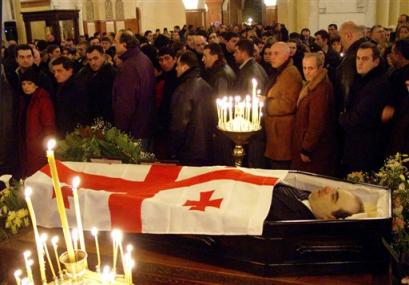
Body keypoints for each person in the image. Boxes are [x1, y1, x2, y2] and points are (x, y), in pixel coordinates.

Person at [339, 42, 390, 173]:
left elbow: (358, 118)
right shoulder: (361, 80)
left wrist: (342, 117)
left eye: (365, 59)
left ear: (376, 62)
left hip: (367, 149)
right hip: (357, 146)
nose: (360, 62)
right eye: (358, 58)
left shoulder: (377, 85)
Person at [291, 53, 337, 176]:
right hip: (305, 142)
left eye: (311, 68)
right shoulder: (312, 84)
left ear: (320, 68)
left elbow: (317, 122)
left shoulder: (321, 89)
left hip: (314, 150)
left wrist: (306, 149)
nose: (307, 72)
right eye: (304, 68)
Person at [170, 51, 216, 166]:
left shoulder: (183, 90)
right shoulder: (206, 85)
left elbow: (179, 124)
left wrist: (173, 149)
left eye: (178, 65)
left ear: (185, 67)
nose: (176, 68)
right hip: (208, 147)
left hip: (189, 150)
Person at [112, 30, 155, 147]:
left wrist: (121, 133)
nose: (114, 45)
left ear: (124, 44)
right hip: (146, 126)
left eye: (116, 42)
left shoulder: (128, 67)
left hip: (134, 132)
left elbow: (126, 104)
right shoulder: (144, 59)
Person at [264, 42, 303, 169]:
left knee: (280, 171)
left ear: (287, 56)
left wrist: (265, 103)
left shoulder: (290, 73)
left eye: (276, 54)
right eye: (270, 53)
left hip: (283, 135)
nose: (272, 57)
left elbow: (288, 104)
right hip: (276, 134)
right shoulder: (280, 72)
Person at [18, 69, 56, 177]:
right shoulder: (24, 99)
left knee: (38, 173)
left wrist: (46, 144)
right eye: (23, 84)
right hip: (26, 143)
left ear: (36, 84)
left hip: (38, 145)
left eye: (29, 83)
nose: (26, 87)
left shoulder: (43, 99)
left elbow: (49, 124)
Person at [267, 183, 364, 221]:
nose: (328, 188)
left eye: (333, 197)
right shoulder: (309, 198)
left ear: (329, 218)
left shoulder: (285, 214)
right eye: (335, 189)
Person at [76, 45, 116, 123]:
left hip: (106, 119)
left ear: (103, 57)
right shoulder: (83, 73)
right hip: (88, 119)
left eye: (95, 58)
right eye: (90, 60)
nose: (93, 63)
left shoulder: (112, 74)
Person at [52, 56, 89, 138]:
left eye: (59, 71)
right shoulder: (61, 86)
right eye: (54, 71)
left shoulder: (78, 87)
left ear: (70, 70)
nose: (56, 75)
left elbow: (80, 113)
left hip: (73, 134)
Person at [335, 21, 366, 114]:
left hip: (353, 113)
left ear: (348, 36)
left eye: (340, 38)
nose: (340, 42)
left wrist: (344, 114)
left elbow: (347, 88)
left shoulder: (353, 57)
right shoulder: (368, 49)